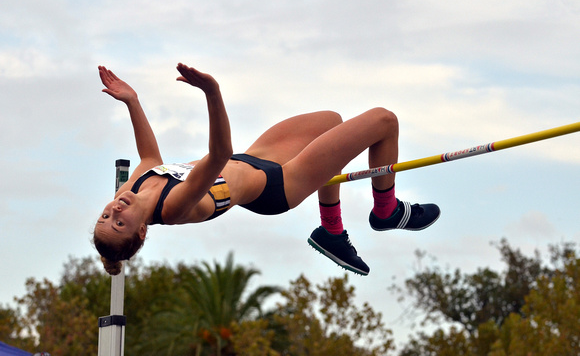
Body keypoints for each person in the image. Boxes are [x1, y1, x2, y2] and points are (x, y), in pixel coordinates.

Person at [93, 63, 440, 276]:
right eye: (119, 223)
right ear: (140, 232)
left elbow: (150, 156)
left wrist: (132, 101)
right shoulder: (174, 207)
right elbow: (218, 155)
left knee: (331, 122)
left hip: (257, 157)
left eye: (105, 217)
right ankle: (386, 211)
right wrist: (212, 93)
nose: (114, 212)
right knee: (383, 120)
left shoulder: (131, 191)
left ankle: (331, 232)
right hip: (278, 186)